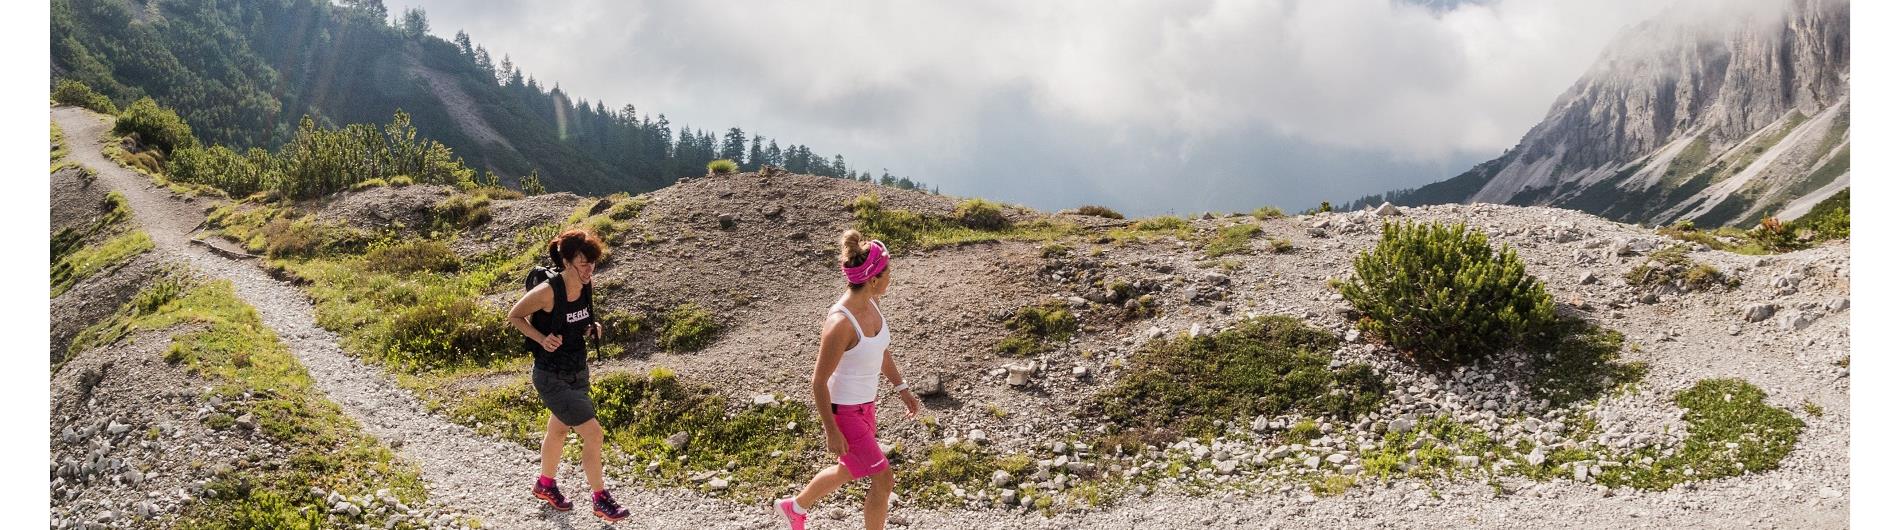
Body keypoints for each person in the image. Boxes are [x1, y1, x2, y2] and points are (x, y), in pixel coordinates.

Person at [775, 230, 923, 530]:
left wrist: (902, 388)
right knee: (883, 478)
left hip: (867, 406)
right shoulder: (839, 324)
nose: (891, 278)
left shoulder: (872, 304)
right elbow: (818, 382)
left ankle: (795, 507)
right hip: (844, 413)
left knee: (849, 469)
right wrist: (831, 429)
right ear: (873, 279)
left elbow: (880, 350)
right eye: (888, 273)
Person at [505, 228, 631, 522]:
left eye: (593, 263)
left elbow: (578, 317)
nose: (589, 269)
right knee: (594, 434)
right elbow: (514, 315)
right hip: (551, 375)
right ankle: (601, 499)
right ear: (566, 261)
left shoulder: (586, 284)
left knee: (559, 431)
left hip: (577, 370)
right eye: (583, 263)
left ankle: (545, 485)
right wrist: (540, 338)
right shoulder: (548, 291)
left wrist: (591, 327)